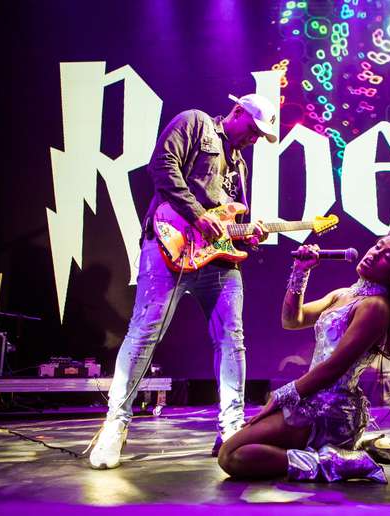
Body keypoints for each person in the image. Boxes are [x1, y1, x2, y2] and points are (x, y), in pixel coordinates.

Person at [87, 93, 277, 469]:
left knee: (232, 339)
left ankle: (231, 429)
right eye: (252, 130)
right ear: (237, 112)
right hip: (168, 245)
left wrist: (247, 235)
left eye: (259, 136)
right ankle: (116, 424)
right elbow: (161, 165)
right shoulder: (195, 121)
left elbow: (227, 222)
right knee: (144, 333)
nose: (253, 139)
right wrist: (196, 214)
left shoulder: (238, 164)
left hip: (218, 261)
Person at [217, 227, 390, 482]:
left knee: (232, 455)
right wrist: (301, 271)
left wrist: (281, 395)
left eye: (387, 256)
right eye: (378, 246)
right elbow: (292, 320)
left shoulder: (375, 307)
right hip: (309, 399)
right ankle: (337, 453)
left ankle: (338, 461)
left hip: (330, 411)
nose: (374, 253)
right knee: (233, 451)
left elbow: (334, 368)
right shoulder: (344, 294)